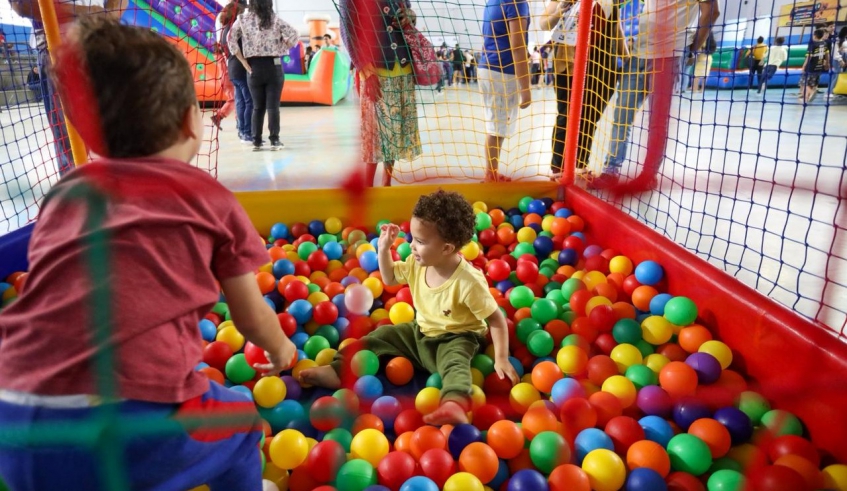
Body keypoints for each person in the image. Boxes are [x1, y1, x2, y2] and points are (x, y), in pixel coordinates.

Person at [0, 18, 297, 491]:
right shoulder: (209, 199)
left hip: (11, 410)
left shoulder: (66, 193)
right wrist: (282, 348)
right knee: (241, 427)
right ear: (188, 120)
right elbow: (250, 316)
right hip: (120, 422)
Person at [299, 190, 519, 426]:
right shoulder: (419, 262)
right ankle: (337, 369)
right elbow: (390, 278)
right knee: (380, 336)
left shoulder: (468, 282)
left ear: (446, 248)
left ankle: (454, 403)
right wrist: (383, 250)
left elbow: (496, 319)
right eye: (413, 238)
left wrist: (501, 358)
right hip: (419, 332)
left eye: (421, 242)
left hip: (457, 337)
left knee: (455, 365)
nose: (412, 246)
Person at [594, 0, 719, 186]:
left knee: (657, 121)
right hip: (639, 54)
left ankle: (648, 175)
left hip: (670, 54)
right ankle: (611, 170)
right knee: (622, 115)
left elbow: (712, 11)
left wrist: (691, 49)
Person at [9, 0, 126, 176]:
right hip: (58, 49)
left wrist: (108, 13)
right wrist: (84, 12)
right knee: (69, 140)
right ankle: (78, 195)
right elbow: (22, 5)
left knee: (117, 131)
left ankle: (117, 189)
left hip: (103, 46)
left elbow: (114, 10)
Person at [539, 0, 628, 180]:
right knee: (567, 116)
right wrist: (559, 11)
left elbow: (615, 28)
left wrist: (626, 58)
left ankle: (580, 165)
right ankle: (559, 168)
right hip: (570, 65)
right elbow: (544, 23)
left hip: (602, 65)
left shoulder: (610, 2)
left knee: (590, 118)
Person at [337, 0, 422, 187]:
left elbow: (407, 9)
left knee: (393, 134)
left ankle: (386, 182)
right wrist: (366, 72)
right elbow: (348, 33)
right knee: (374, 134)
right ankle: (368, 187)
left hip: (403, 68)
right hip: (375, 71)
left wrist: (410, 16)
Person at [229, 0, 298, 151]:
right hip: (274, 66)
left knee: (257, 107)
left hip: (253, 68)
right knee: (273, 107)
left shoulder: (242, 19)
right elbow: (294, 35)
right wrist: (282, 46)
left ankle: (257, 141)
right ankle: (274, 141)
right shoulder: (274, 19)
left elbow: (231, 40)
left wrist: (244, 62)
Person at [478, 0, 532, 183]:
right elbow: (518, 46)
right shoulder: (517, 2)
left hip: (487, 67)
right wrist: (526, 88)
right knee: (495, 128)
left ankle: (492, 171)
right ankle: (490, 175)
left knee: (497, 126)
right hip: (501, 71)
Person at [221, 0, 252, 143]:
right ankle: (247, 132)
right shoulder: (235, 29)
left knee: (240, 101)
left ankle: (241, 131)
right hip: (240, 67)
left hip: (232, 68)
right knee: (249, 101)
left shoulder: (225, 29)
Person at [211, 0, 238, 132]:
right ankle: (241, 124)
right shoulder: (226, 20)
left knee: (237, 97)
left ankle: (219, 117)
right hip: (227, 67)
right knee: (237, 97)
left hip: (226, 66)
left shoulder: (222, 17)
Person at [800, 28, 830, 103]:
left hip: (811, 67)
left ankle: (812, 92)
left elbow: (809, 56)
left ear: (815, 35)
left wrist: (804, 66)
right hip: (819, 67)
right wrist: (827, 63)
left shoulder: (812, 44)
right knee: (812, 83)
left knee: (804, 82)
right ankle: (807, 97)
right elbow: (827, 54)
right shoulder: (824, 43)